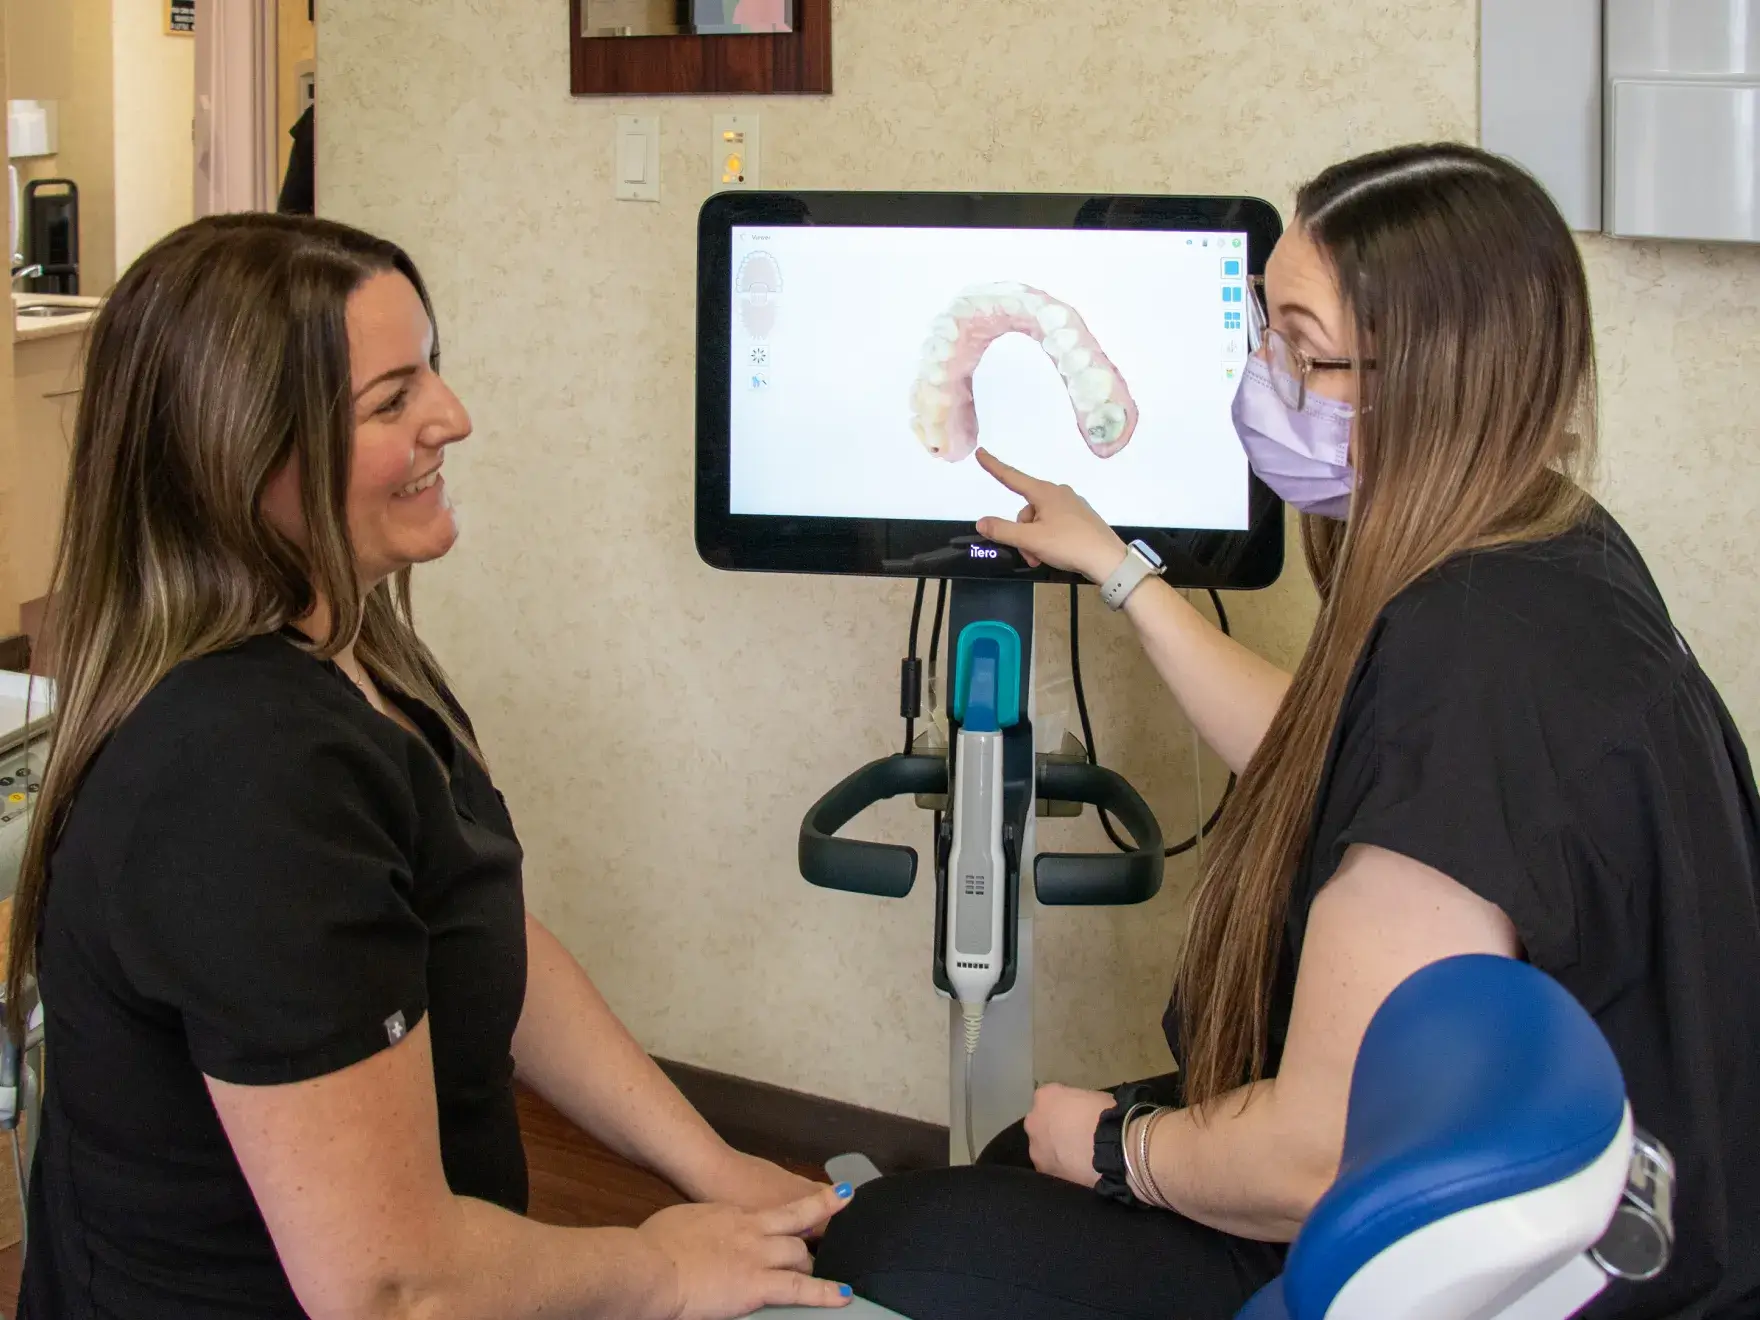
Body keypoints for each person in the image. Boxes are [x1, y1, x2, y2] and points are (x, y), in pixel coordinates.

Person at [813, 142, 1760, 1320]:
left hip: (1501, 1259)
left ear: (1434, 377)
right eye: (1261, 331)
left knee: (900, 1237)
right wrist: (1118, 569)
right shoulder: (1545, 547)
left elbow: (1311, 1160)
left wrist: (1113, 1147)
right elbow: (1363, 773)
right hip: (1633, 1185)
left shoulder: (1469, 655)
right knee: (1012, 1159)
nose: (1261, 378)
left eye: (1298, 352)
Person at [6, 213, 856, 1319]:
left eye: (433, 372)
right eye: (390, 399)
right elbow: (390, 1288)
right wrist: (659, 1268)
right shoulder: (244, 777)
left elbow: (475, 930)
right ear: (240, 455)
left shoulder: (361, 653)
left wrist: (707, 1162)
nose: (451, 418)